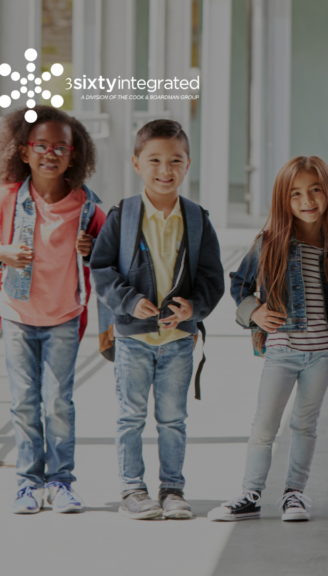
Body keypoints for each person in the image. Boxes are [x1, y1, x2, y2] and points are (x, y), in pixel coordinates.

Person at [90, 119, 225, 519]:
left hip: (179, 340)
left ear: (187, 165)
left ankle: (172, 490)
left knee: (173, 418)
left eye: (175, 160)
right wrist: (129, 302)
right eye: (154, 160)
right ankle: (133, 490)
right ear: (136, 163)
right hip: (133, 339)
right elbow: (101, 269)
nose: (164, 169)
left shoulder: (198, 219)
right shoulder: (123, 215)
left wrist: (194, 309)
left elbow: (212, 277)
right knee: (130, 416)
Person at [208, 157, 328, 522]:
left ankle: (294, 494)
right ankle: (250, 492)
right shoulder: (269, 243)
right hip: (282, 352)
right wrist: (254, 312)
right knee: (265, 425)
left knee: (305, 424)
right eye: (296, 194)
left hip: (324, 354)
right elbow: (239, 284)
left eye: (315, 190)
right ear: (283, 201)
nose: (307, 200)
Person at [0, 105, 104, 514]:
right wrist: (2, 251)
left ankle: (61, 482)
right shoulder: (9, 198)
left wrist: (93, 247)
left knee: (57, 402)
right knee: (24, 402)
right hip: (16, 315)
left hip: (63, 317)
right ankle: (28, 483)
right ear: (23, 151)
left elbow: (110, 252)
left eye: (61, 147)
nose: (51, 154)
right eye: (41, 146)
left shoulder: (87, 205)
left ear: (75, 154)